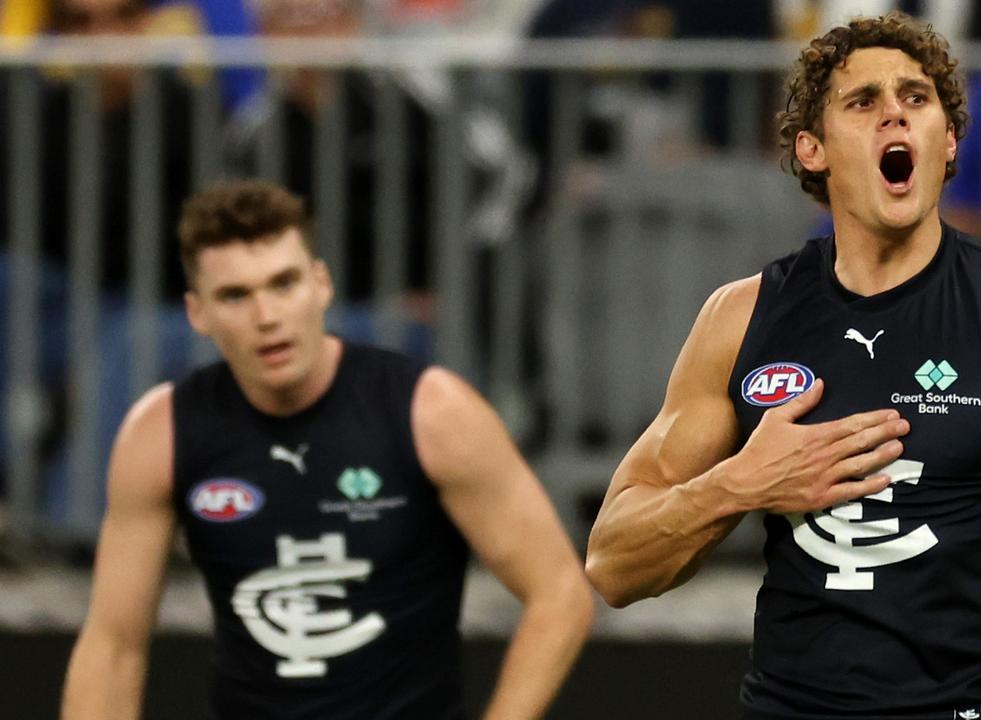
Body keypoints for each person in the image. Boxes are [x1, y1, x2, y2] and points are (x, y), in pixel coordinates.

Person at [586, 12, 981, 719]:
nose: (894, 114)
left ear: (948, 139)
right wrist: (734, 487)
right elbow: (613, 567)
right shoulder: (741, 317)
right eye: (863, 102)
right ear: (812, 149)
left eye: (916, 99)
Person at [61, 180, 593, 719]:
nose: (267, 316)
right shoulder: (162, 431)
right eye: (235, 295)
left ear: (321, 284)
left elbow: (559, 592)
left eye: (284, 283)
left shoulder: (433, 413)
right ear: (198, 313)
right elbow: (112, 646)